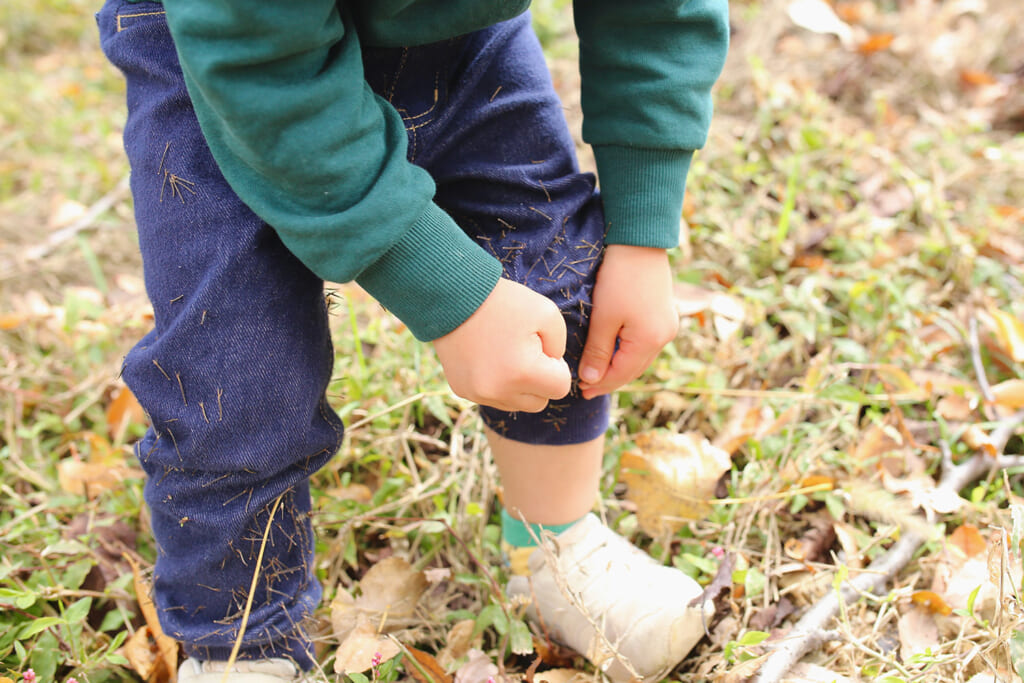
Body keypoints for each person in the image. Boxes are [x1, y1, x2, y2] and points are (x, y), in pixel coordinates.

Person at [96, 0, 729, 681]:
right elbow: (259, 58)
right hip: (234, 56)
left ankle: (555, 551)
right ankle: (244, 644)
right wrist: (450, 293)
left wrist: (641, 228)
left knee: (557, 267)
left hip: (456, 24)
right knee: (233, 370)